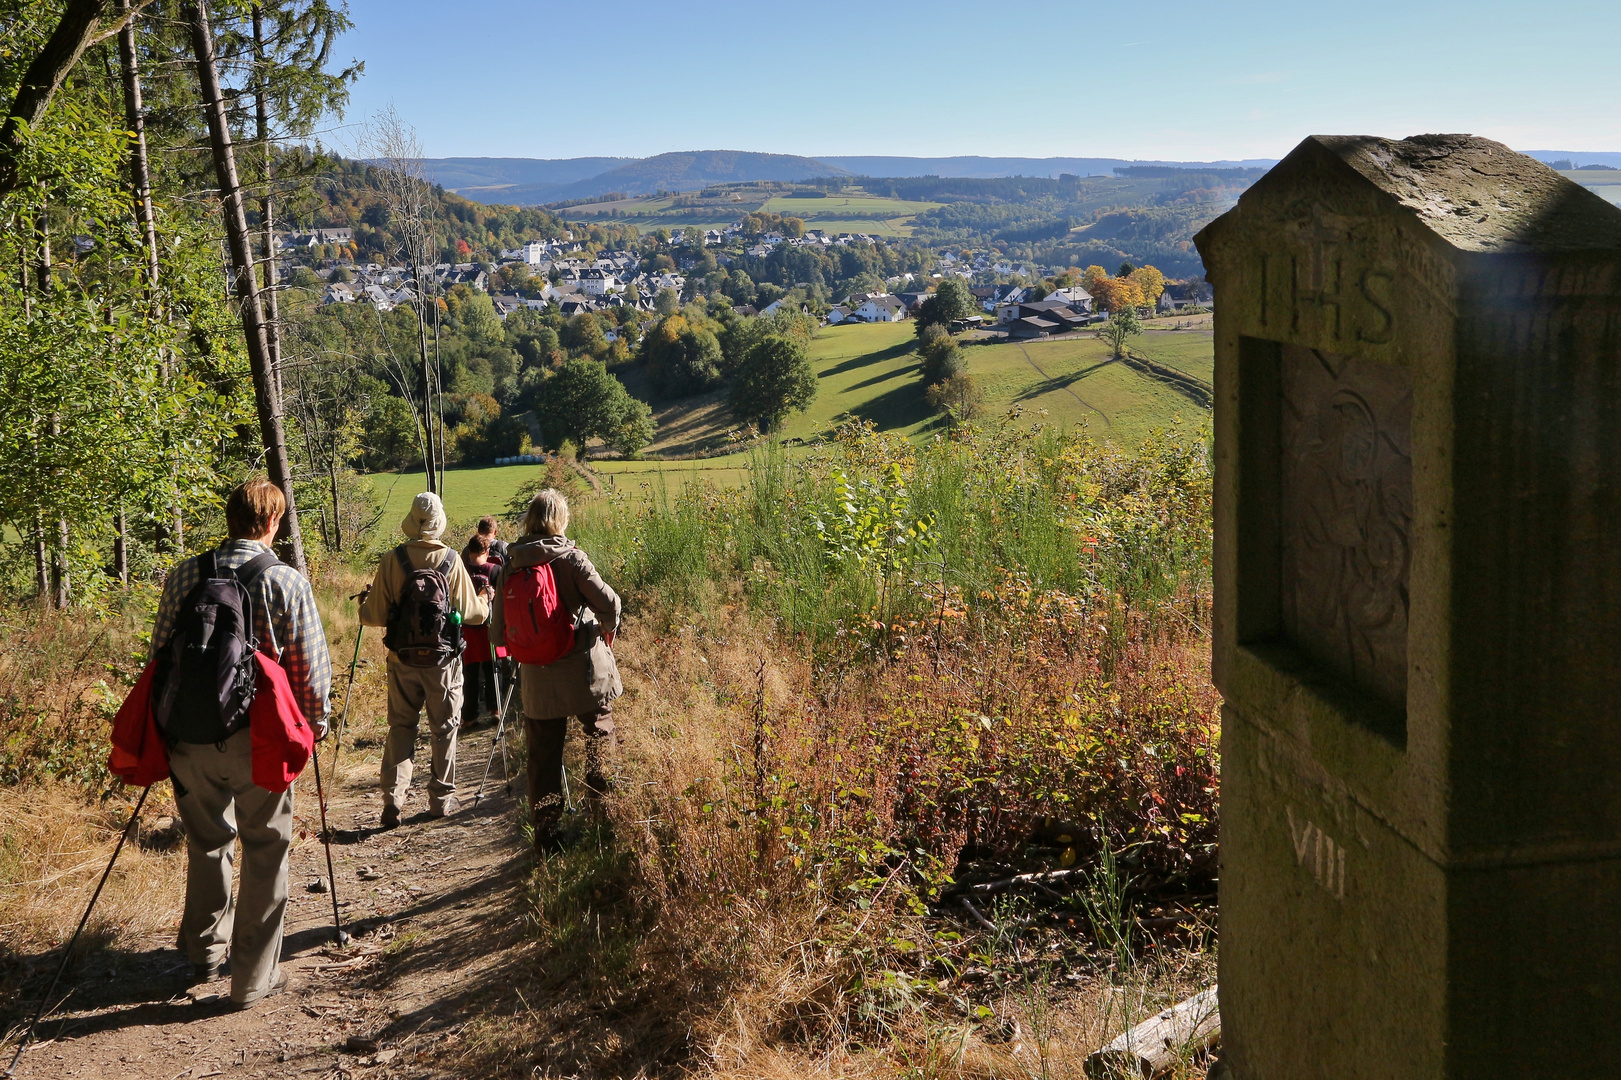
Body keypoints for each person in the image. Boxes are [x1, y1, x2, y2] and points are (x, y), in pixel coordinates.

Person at [149, 477, 332, 1008]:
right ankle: (252, 977)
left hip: (191, 738)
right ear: (273, 523)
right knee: (267, 847)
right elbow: (309, 671)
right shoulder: (285, 581)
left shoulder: (187, 574)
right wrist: (313, 727)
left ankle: (203, 952)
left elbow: (162, 656)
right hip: (262, 739)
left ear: (229, 519)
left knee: (206, 841)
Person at [489, 488, 622, 853]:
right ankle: (605, 818)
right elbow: (610, 602)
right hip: (584, 671)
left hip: (537, 680)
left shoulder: (511, 567)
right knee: (598, 735)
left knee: (543, 757)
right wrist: (607, 633)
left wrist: (530, 647)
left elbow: (496, 632)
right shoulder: (573, 559)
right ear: (560, 520)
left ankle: (548, 838)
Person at [359, 492, 490, 827]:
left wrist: (365, 601)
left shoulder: (392, 560)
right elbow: (474, 616)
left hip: (403, 660)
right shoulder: (450, 561)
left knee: (401, 727)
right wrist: (484, 599)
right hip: (442, 662)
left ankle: (393, 798)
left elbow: (371, 617)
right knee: (444, 728)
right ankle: (440, 800)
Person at [459, 532, 501, 728]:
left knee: (470, 674)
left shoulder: (462, 571)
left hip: (467, 629)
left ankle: (469, 716)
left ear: (469, 550)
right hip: (488, 629)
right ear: (487, 550)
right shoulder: (495, 570)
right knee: (493, 668)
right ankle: (495, 709)